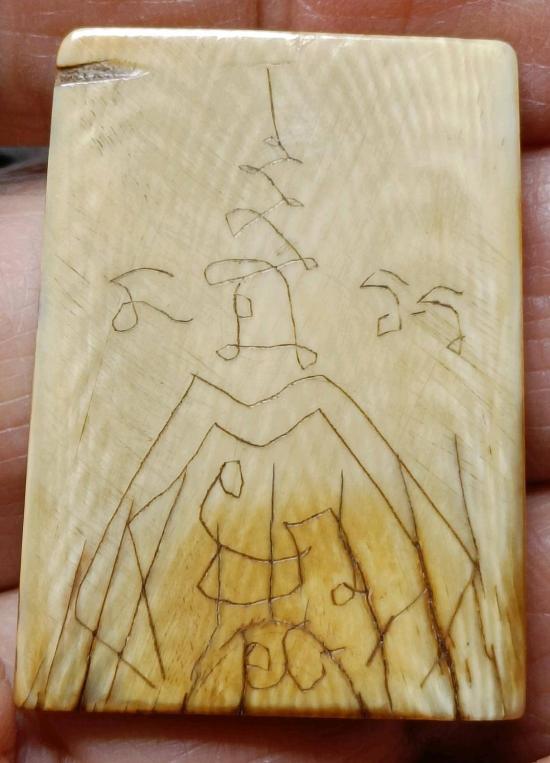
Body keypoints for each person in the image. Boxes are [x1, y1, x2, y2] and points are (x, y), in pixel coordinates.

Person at [1, 1, 549, 760]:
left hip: (327, 614)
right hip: (219, 613)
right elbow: (145, 497)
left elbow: (395, 490)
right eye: (242, 300)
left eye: (253, 300)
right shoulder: (241, 397)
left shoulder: (300, 397)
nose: (244, 312)